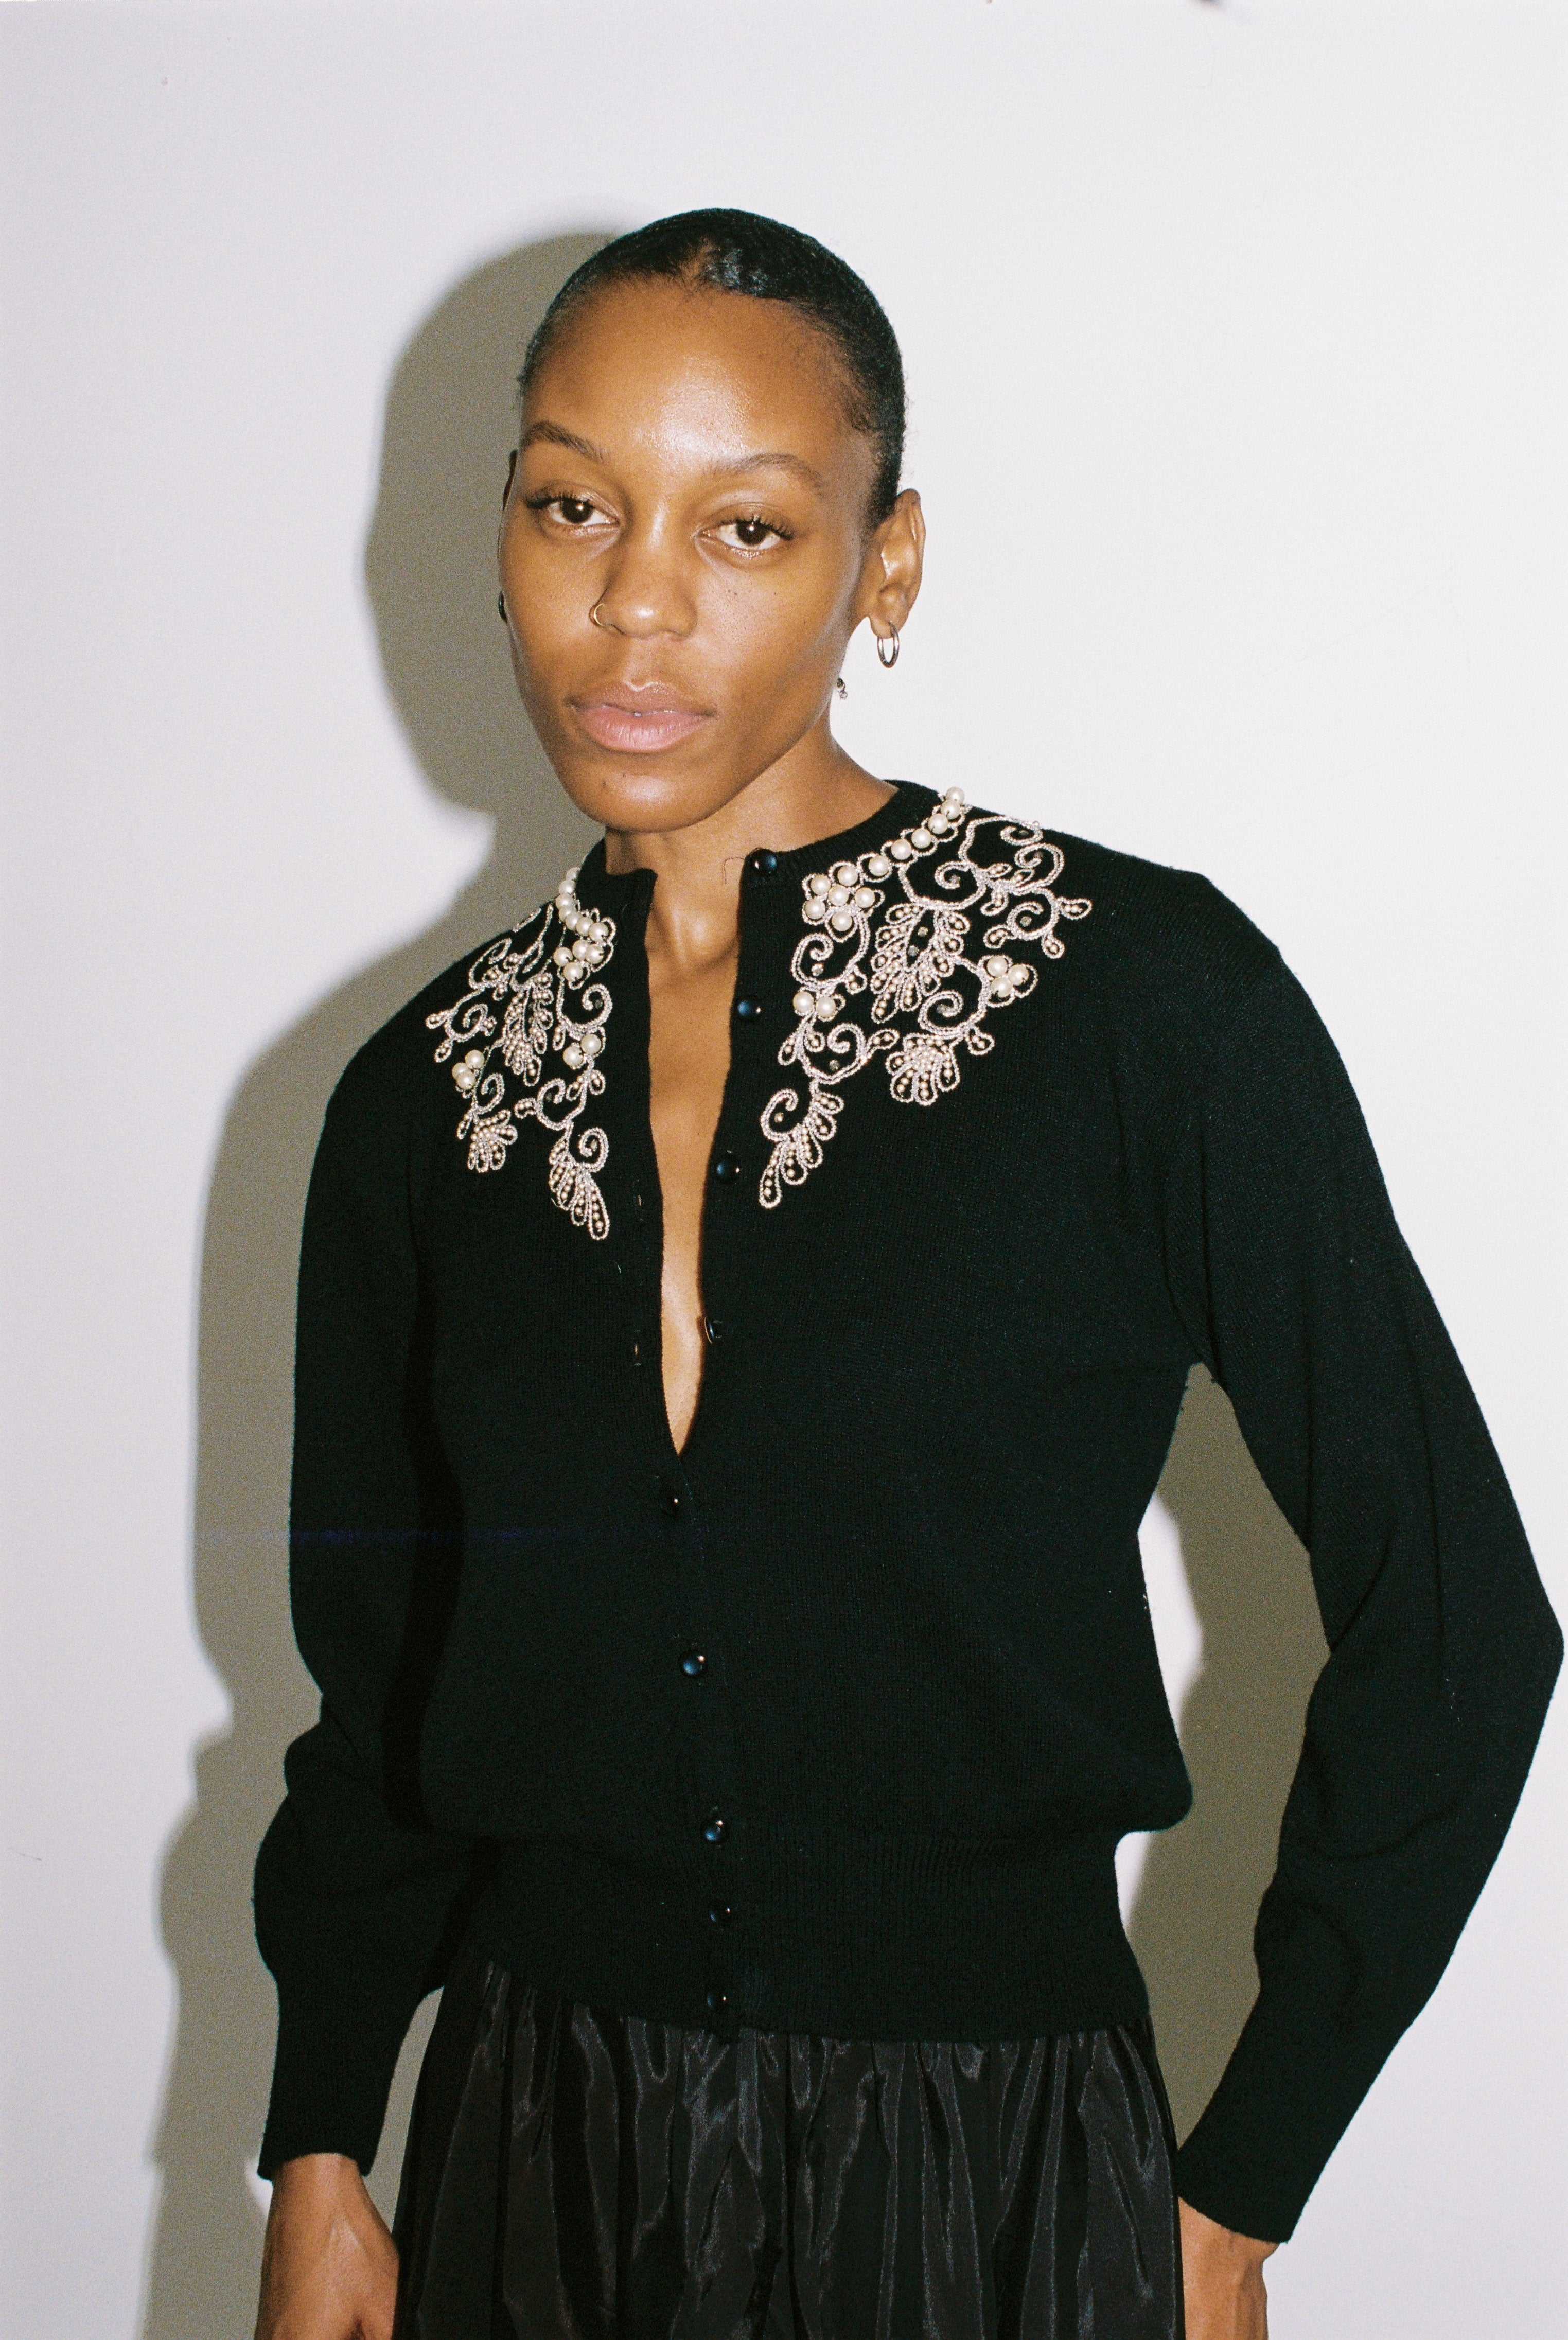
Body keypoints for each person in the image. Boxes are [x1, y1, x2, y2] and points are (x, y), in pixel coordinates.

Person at [251, 210, 1560, 2340]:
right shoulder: (421, 1101)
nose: (637, 602)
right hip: (524, 2158)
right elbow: (380, 1704)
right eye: (573, 502)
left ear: (890, 566)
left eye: (746, 529)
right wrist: (322, 2145)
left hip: (997, 2168)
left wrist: (1238, 2187)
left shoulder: (1147, 1009)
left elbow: (1459, 1627)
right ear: (500, 531)